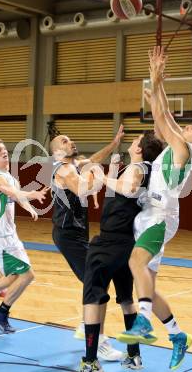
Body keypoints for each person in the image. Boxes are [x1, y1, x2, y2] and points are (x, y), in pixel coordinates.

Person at [117, 47, 192, 370]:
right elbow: (161, 121)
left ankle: (143, 322)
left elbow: (164, 119)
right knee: (146, 284)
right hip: (152, 214)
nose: (187, 128)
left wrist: (157, 79)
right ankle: (177, 336)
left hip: (160, 216)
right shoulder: (176, 146)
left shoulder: (186, 149)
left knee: (135, 262)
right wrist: (156, 88)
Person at [80, 132, 164, 372]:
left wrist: (103, 176)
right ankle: (134, 357)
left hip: (109, 243)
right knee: (127, 300)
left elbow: (129, 188)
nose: (133, 142)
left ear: (140, 149)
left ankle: (89, 361)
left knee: (92, 300)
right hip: (129, 245)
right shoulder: (150, 170)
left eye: (137, 140)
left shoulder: (137, 167)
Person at [50, 127, 124, 362]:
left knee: (94, 280)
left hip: (79, 233)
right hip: (68, 234)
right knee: (97, 282)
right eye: (64, 141)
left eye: (70, 138)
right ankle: (99, 340)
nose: (70, 141)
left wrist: (113, 145)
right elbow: (83, 187)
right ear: (56, 153)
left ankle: (86, 323)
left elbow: (92, 160)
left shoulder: (74, 165)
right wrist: (99, 175)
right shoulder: (63, 169)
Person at [0, 138, 48, 333]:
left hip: (10, 235)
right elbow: (10, 192)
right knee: (27, 275)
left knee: (14, 276)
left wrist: (29, 206)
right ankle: (1, 312)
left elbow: (16, 195)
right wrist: (32, 194)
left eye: (5, 148)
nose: (4, 151)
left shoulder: (11, 177)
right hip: (0, 237)